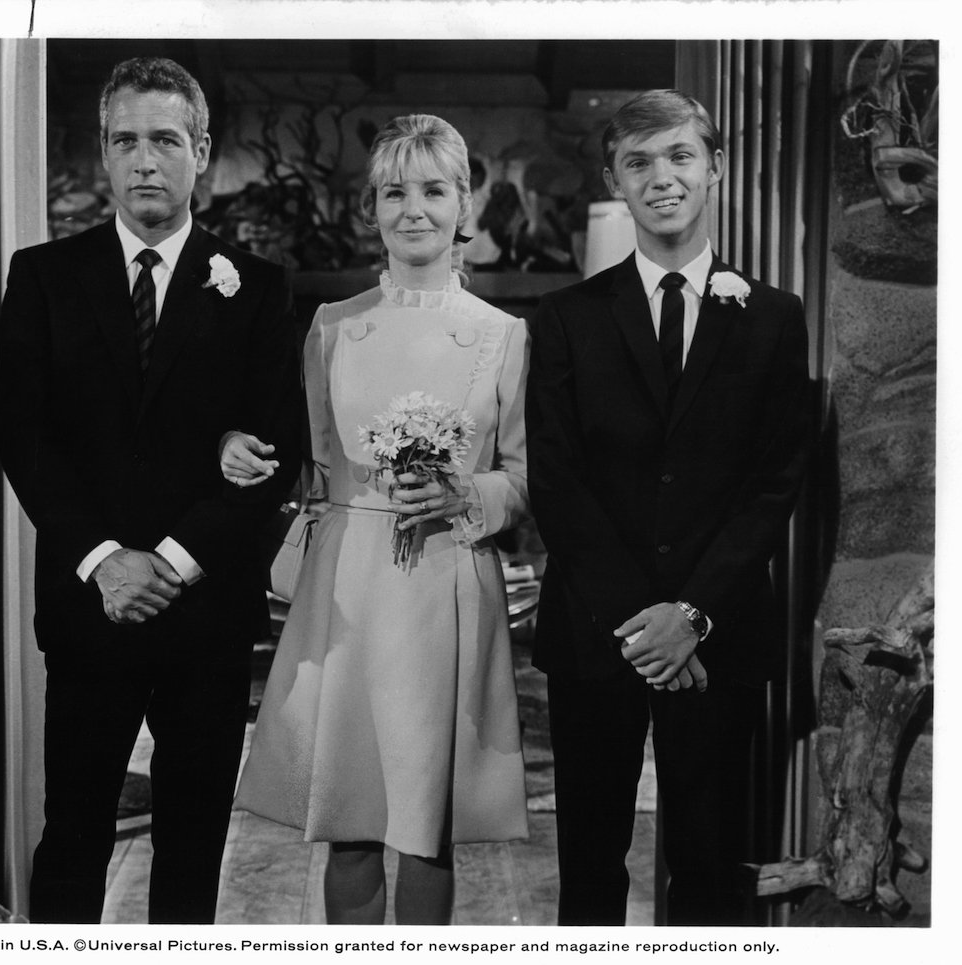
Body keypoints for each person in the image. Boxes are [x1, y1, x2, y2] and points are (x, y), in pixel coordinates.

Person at [0, 56, 301, 923]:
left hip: (204, 611)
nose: (143, 159)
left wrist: (168, 559)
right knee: (75, 831)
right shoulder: (44, 276)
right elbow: (25, 439)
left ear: (201, 151)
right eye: (125, 139)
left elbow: (275, 449)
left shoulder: (258, 289)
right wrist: (104, 561)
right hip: (91, 602)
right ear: (102, 151)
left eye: (164, 139)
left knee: (194, 836)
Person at [227, 114, 529, 925]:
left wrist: (472, 496)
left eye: (433, 190)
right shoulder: (330, 326)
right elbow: (314, 468)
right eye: (394, 191)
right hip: (350, 581)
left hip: (446, 584)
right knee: (352, 821)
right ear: (372, 207)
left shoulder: (505, 337)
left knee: (424, 825)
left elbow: (526, 476)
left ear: (466, 203)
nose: (414, 209)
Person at [525, 89, 812, 926]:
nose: (663, 177)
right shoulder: (566, 318)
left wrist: (690, 613)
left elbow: (774, 481)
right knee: (588, 867)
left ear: (715, 167)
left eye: (681, 155)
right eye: (640, 161)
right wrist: (642, 621)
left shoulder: (772, 317)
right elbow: (557, 482)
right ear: (615, 175)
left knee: (709, 868)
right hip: (594, 635)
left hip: (715, 633)